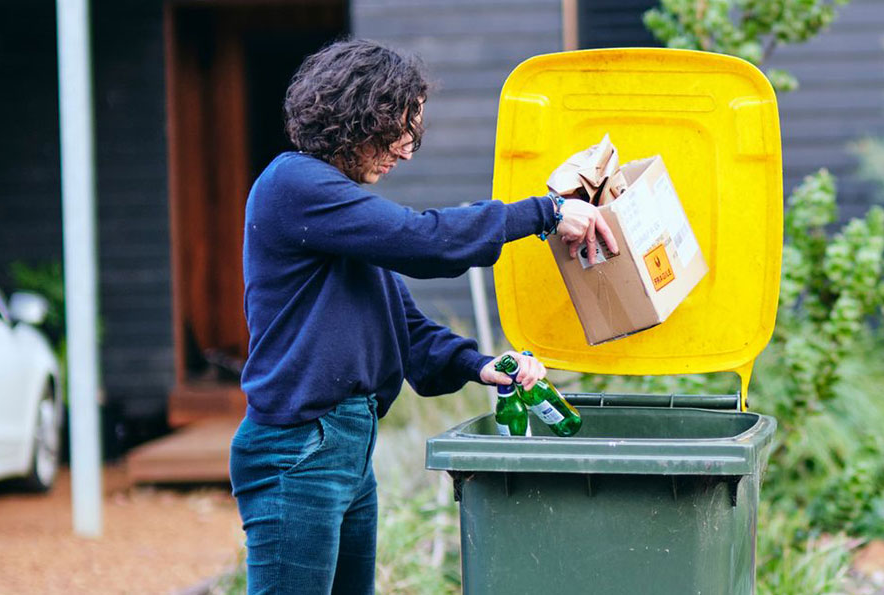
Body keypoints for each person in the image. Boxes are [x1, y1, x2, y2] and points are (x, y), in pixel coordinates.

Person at [227, 39, 615, 594]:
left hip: (344, 447)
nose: (407, 151)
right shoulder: (295, 186)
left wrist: (483, 366)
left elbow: (404, 329)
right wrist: (545, 212)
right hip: (300, 448)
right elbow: (425, 241)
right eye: (398, 130)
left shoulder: (342, 213)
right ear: (355, 116)